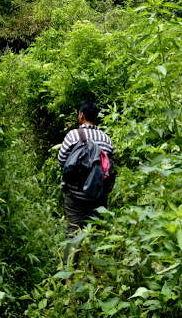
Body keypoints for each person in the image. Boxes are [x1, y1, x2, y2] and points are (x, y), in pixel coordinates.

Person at [58, 100, 115, 267]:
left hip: (75, 195)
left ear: (81, 115)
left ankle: (68, 276)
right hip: (98, 195)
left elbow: (62, 161)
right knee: (96, 232)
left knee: (74, 231)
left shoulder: (73, 135)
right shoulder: (107, 139)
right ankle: (95, 272)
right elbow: (110, 166)